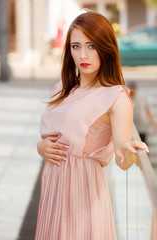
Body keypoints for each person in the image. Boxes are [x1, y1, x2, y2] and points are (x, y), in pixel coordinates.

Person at [35, 11, 149, 240]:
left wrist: (129, 153)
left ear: (105, 48)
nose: (83, 55)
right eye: (76, 46)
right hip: (53, 185)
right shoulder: (62, 87)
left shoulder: (116, 96)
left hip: (83, 189)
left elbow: (121, 154)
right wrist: (41, 147)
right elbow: (50, 138)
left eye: (91, 46)